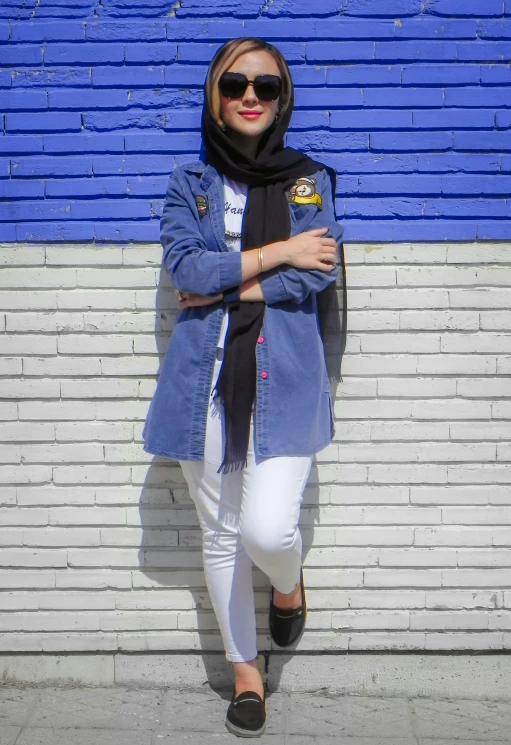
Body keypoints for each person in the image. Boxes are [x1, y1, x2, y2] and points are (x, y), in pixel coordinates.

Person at [142, 37, 345, 738]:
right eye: (234, 84)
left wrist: (239, 275)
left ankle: (287, 586)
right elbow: (186, 273)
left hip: (284, 381)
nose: (250, 95)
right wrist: (278, 251)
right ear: (215, 97)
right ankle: (246, 675)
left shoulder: (309, 178)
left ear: (282, 98)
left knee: (265, 527)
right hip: (204, 384)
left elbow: (316, 270)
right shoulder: (187, 183)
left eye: (265, 85)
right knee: (222, 533)